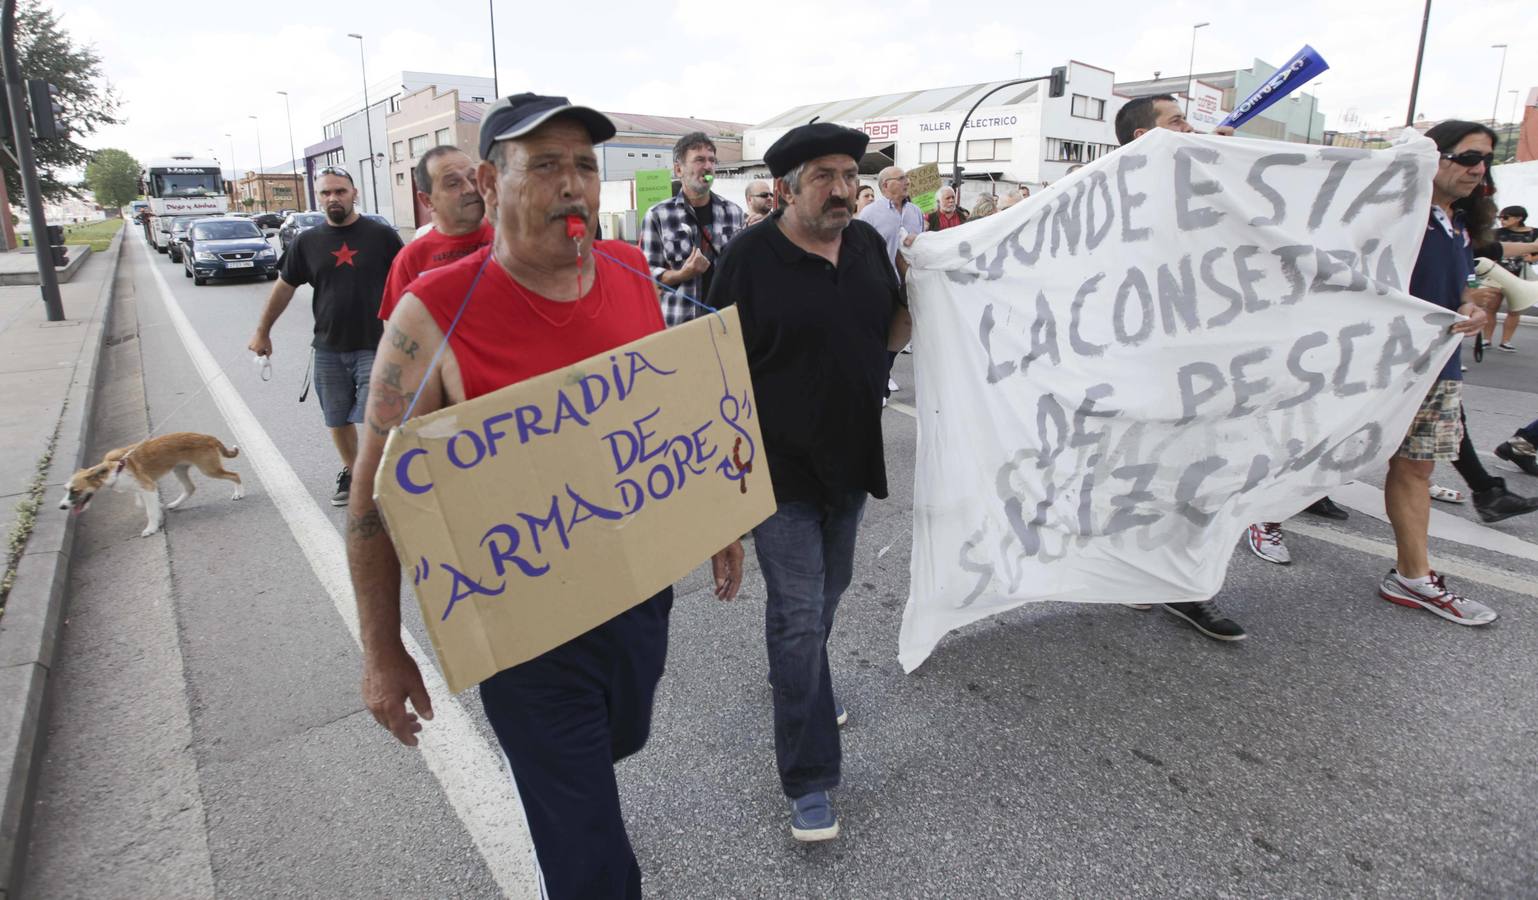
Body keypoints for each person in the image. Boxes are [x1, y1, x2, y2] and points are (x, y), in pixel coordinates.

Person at [344, 92, 744, 899]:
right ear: (491, 183)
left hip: (637, 597)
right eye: (547, 165)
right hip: (524, 634)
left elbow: (662, 413)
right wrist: (383, 652)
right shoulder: (431, 314)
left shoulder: (629, 271)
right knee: (586, 846)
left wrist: (714, 515)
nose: (572, 184)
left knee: (619, 738)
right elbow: (372, 499)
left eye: (585, 165)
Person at [708, 122, 910, 843]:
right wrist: (721, 509)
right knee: (797, 615)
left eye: (850, 175)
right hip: (777, 470)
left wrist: (929, 299)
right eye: (824, 175)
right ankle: (810, 778)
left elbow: (889, 329)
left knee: (829, 594)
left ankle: (801, 682)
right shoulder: (746, 260)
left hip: (850, 460)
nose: (842, 188)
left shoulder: (864, 246)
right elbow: (712, 378)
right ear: (786, 188)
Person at [1113, 95, 1247, 639]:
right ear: (1145, 137)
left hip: (1204, 366)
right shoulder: (1110, 193)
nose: (1191, 127)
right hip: (1140, 369)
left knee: (1200, 477)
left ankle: (1186, 586)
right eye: (1177, 121)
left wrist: (1232, 166)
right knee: (1143, 475)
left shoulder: (1206, 181)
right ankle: (1138, 570)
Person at [1375, 120, 1509, 625]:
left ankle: (1412, 576)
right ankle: (1267, 519)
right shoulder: (1393, 214)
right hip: (1375, 365)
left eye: (1486, 161)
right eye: (1469, 157)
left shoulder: (1460, 223)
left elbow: (1463, 286)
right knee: (1318, 455)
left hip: (1438, 364)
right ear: (1434, 157)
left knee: (1416, 467)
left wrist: (1471, 305)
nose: (1478, 169)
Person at [247, 166, 403, 506]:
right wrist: (263, 331)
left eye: (340, 191)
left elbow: (409, 283)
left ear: (354, 194)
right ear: (318, 197)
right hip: (328, 348)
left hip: (376, 346)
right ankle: (356, 473)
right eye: (326, 192)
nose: (334, 198)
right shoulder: (307, 242)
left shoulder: (382, 236)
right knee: (337, 417)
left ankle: (381, 476)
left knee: (379, 419)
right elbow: (284, 288)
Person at [639, 131, 745, 326]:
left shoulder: (734, 212)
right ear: (679, 169)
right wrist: (682, 274)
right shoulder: (658, 215)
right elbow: (645, 276)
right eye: (699, 160)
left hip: (725, 324)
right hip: (679, 325)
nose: (708, 166)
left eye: (712, 160)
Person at [378, 145, 492, 321]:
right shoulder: (411, 260)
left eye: (473, 178)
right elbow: (395, 328)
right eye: (453, 184)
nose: (470, 188)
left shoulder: (513, 239)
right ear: (427, 200)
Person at [856, 165, 923, 400]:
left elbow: (920, 246)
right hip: (879, 285)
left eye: (907, 178)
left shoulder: (915, 212)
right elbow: (860, 250)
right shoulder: (870, 214)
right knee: (879, 337)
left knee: (899, 338)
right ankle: (878, 385)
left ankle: (882, 378)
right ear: (886, 185)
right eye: (901, 178)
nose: (907, 182)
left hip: (907, 285)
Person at [1487, 205, 1538, 351]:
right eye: (1500, 217)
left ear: (1518, 218)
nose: (1502, 220)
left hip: (1520, 276)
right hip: (1496, 274)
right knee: (1491, 307)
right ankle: (1486, 339)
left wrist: (1532, 258)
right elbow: (1486, 250)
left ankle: (1506, 341)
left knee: (1515, 309)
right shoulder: (1495, 233)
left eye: (1505, 217)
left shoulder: (1534, 233)